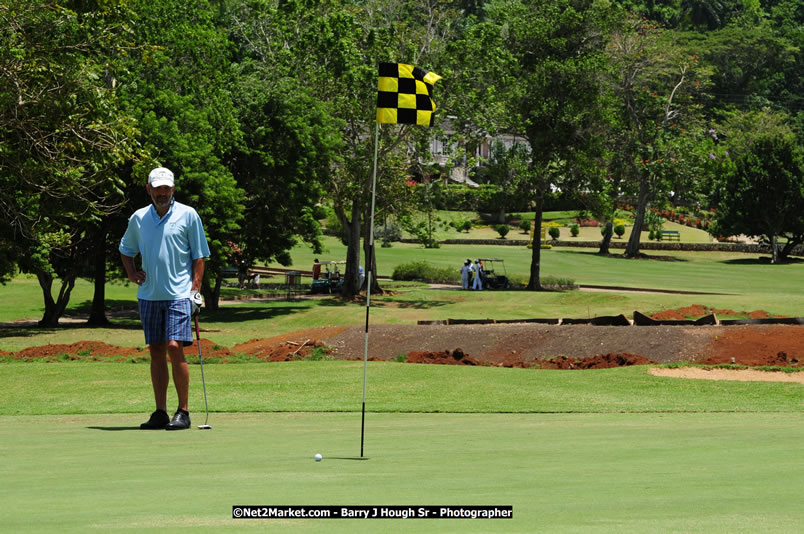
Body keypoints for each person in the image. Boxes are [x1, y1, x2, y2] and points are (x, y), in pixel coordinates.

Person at [119, 167, 211, 430]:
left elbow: (199, 255)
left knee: (174, 347)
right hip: (149, 295)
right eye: (157, 189)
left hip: (179, 294)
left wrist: (195, 289)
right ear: (149, 189)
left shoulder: (188, 215)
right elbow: (126, 249)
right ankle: (160, 412)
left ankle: (183, 411)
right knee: (157, 350)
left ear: (173, 189)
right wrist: (131, 272)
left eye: (166, 189)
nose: (162, 193)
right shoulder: (138, 218)